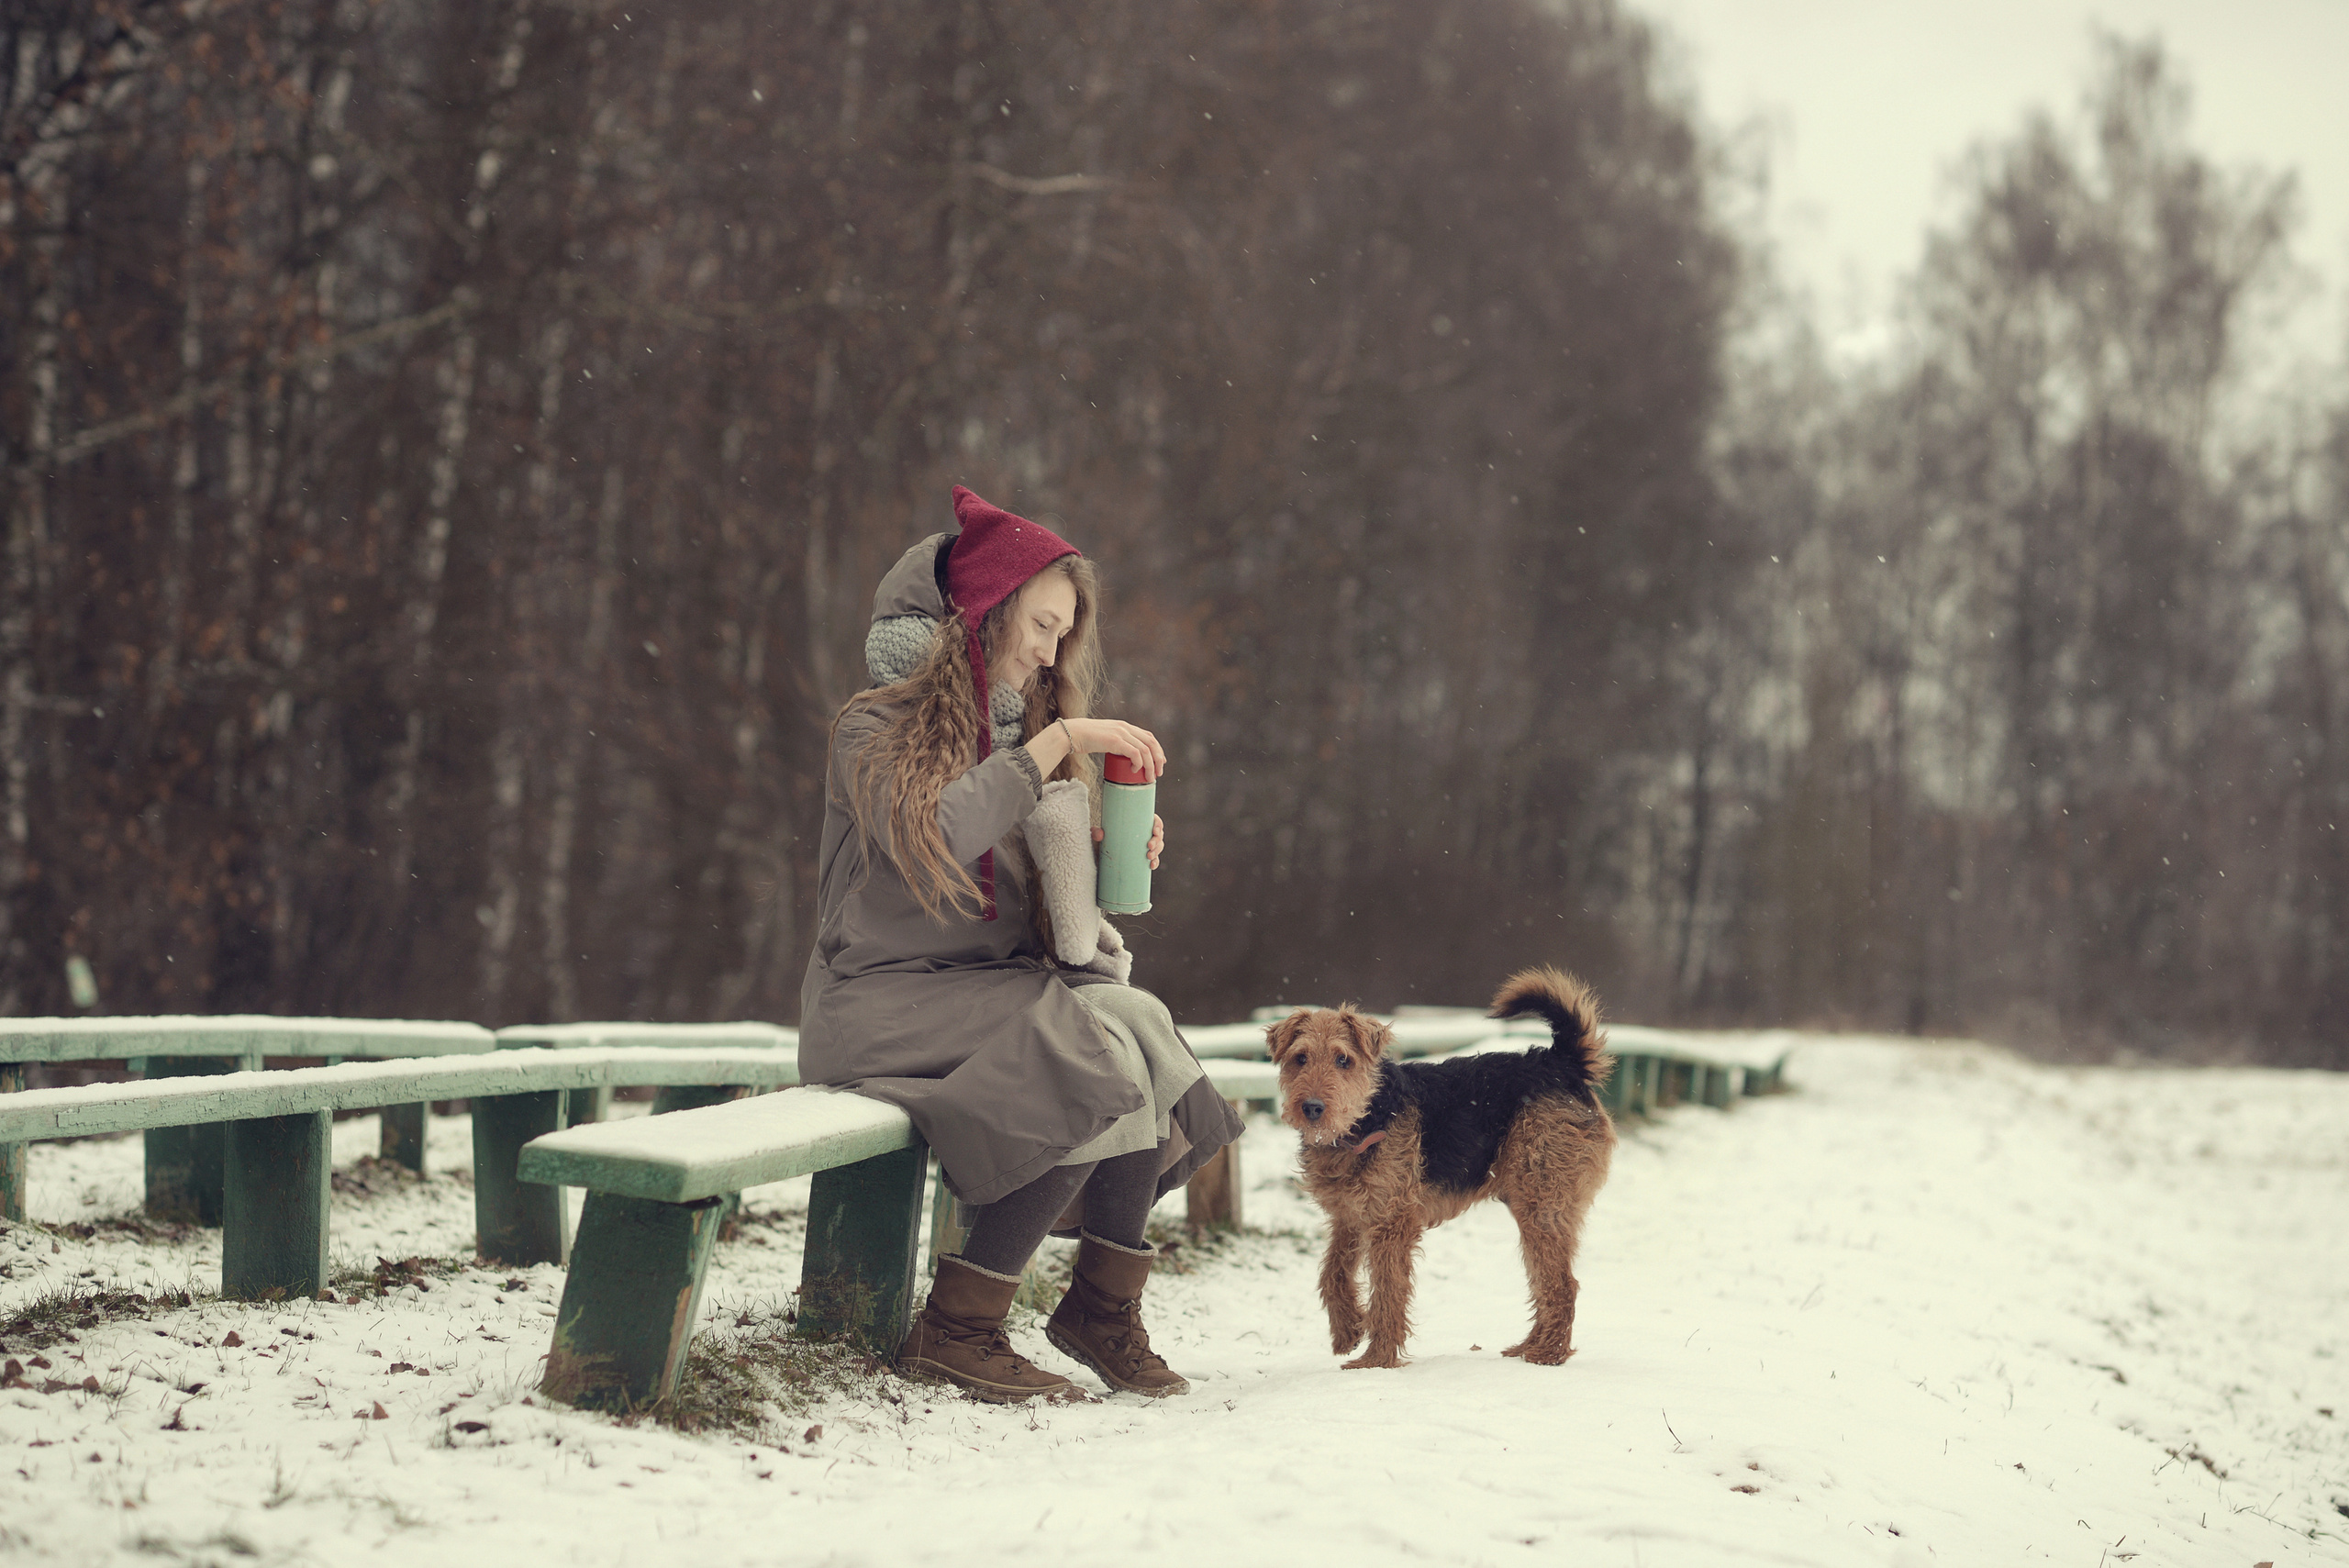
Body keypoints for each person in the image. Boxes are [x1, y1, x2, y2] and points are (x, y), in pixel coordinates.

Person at [797, 484, 1243, 1403]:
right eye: (1039, 626)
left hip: (984, 991)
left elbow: (1032, 910)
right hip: (878, 1001)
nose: (1047, 653)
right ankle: (959, 1328)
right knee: (1084, 1050)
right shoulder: (871, 725)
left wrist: (1088, 854)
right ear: (984, 611)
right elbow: (936, 834)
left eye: (1061, 636)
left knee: (1131, 1021)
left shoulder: (1019, 739)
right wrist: (1059, 744)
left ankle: (1099, 1309)